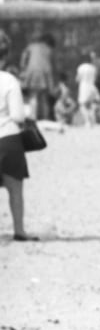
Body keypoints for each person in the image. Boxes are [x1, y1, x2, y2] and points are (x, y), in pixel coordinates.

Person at [0, 31, 36, 241]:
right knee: (15, 188)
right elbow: (18, 116)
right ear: (5, 56)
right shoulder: (9, 80)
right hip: (7, 139)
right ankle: (19, 230)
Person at [20, 33, 56, 121]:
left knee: (33, 96)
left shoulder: (31, 46)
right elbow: (49, 66)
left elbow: (24, 56)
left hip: (32, 71)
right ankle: (44, 117)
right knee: (43, 97)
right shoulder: (48, 49)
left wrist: (23, 67)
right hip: (44, 72)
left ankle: (34, 117)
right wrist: (51, 85)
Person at [76, 53, 100, 127]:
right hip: (91, 86)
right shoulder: (93, 68)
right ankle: (93, 121)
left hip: (83, 86)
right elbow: (95, 79)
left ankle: (87, 121)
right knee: (91, 105)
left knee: (82, 105)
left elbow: (78, 78)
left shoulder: (80, 67)